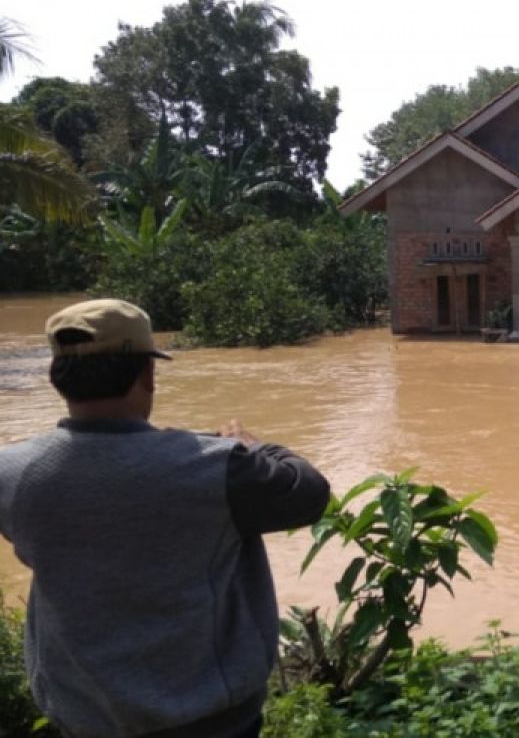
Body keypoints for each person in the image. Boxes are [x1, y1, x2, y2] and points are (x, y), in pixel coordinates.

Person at [0, 299, 330, 738]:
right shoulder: (219, 468)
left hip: (84, 717)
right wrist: (253, 447)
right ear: (147, 375)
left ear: (57, 379)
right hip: (211, 720)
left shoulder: (12, 471)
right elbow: (308, 492)